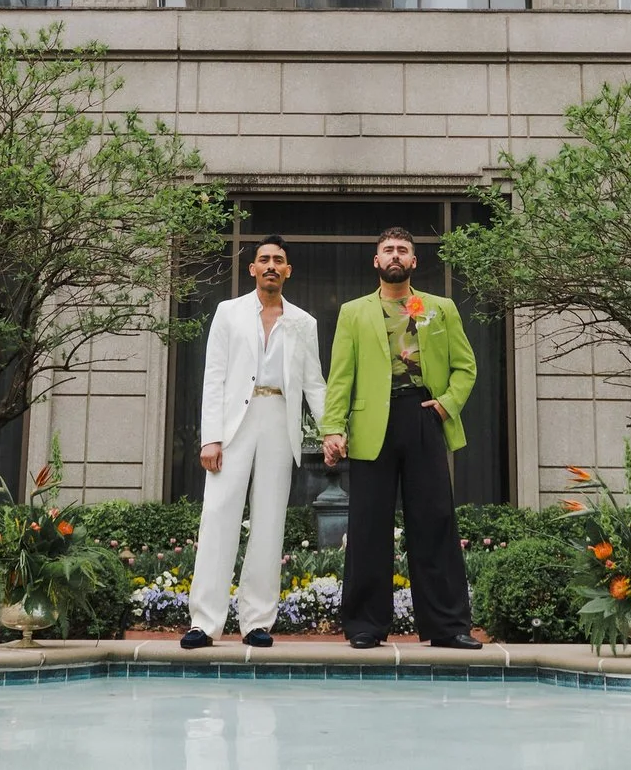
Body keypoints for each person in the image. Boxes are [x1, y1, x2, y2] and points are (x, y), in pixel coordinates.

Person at [320, 226, 481, 649]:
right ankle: (365, 626)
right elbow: (340, 377)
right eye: (388, 250)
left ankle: (448, 626)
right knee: (369, 526)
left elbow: (466, 367)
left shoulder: (438, 308)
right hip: (372, 421)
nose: (395, 256)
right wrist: (333, 428)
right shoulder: (354, 312)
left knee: (435, 522)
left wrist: (446, 403)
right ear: (376, 261)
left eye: (403, 250)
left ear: (413, 262)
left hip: (424, 415)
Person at [184, 235, 325, 649]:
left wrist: (331, 429)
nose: (270, 265)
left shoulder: (303, 322)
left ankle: (257, 621)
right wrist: (211, 437)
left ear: (287, 271)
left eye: (278, 260)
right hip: (234, 426)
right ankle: (204, 623)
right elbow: (214, 377)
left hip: (279, 421)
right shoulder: (228, 313)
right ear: (252, 269)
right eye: (263, 259)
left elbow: (314, 383)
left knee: (269, 522)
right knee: (218, 516)